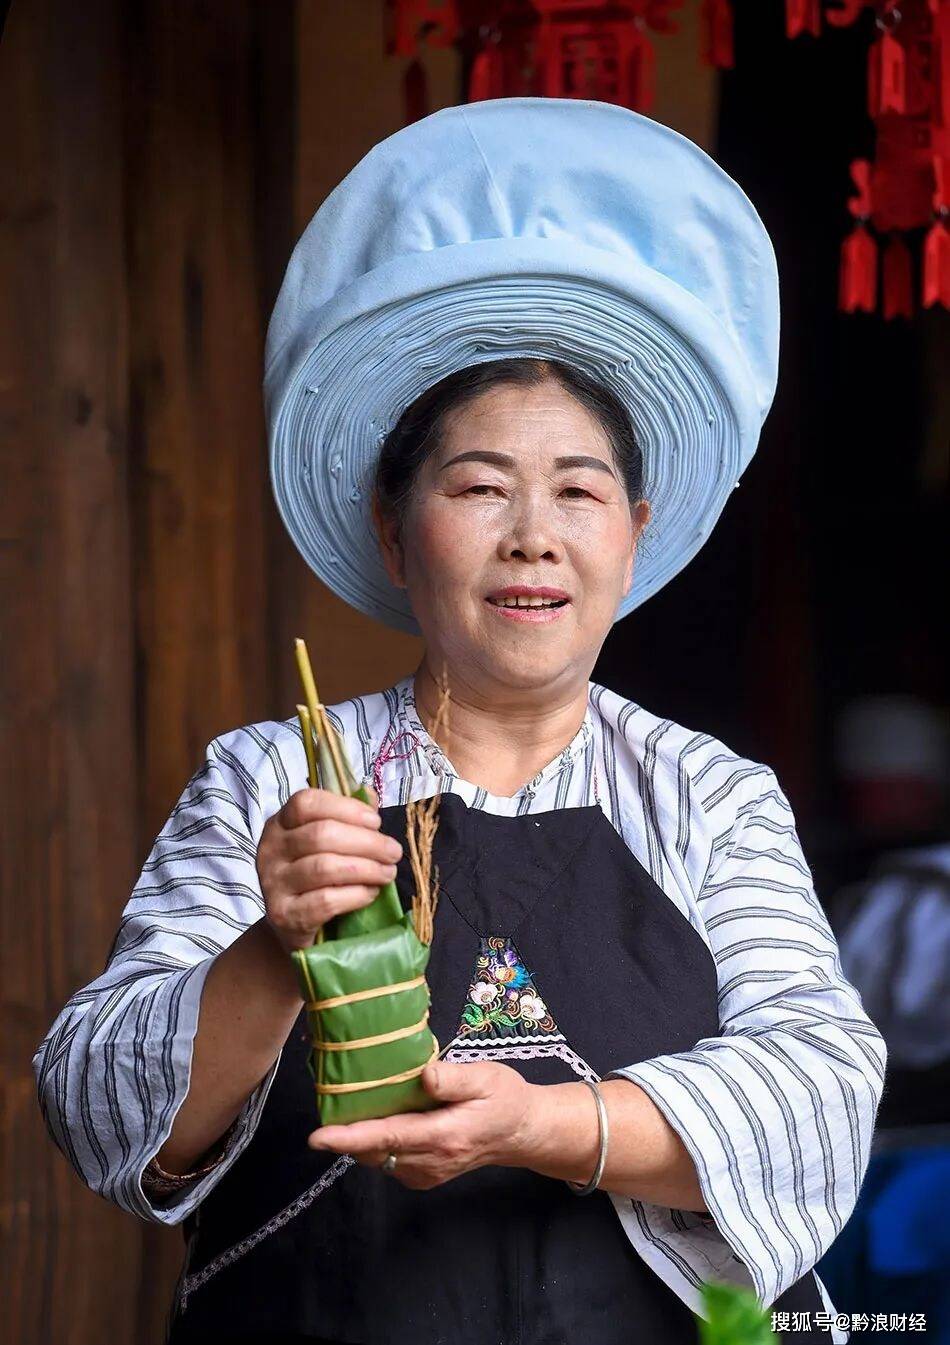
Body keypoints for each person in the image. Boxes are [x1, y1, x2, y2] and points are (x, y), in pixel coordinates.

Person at [33, 99, 884, 1345]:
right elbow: (98, 1110)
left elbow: (818, 1096)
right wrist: (278, 944)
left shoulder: (705, 793)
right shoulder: (274, 775)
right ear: (394, 528)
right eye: (479, 485)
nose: (531, 532)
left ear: (632, 533)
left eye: (577, 489)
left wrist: (544, 1125)